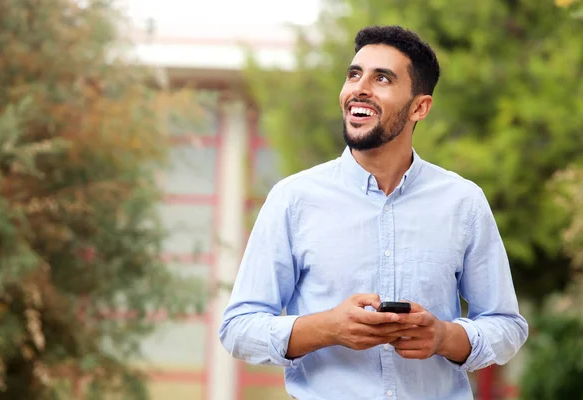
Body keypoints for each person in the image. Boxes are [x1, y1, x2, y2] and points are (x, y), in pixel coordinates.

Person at [219, 25, 528, 400]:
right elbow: (238, 328)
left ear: (419, 106)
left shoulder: (463, 202)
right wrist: (328, 328)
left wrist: (446, 337)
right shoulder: (292, 199)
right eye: (354, 74)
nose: (359, 88)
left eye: (382, 78)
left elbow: (507, 326)